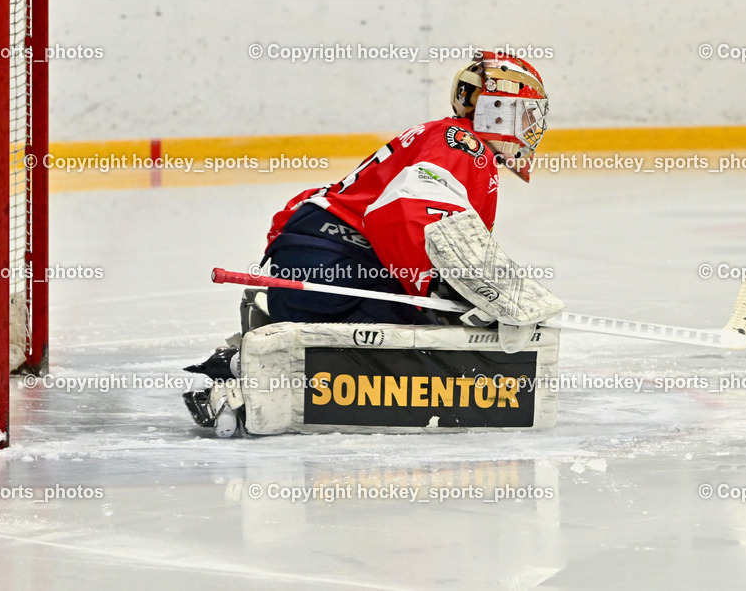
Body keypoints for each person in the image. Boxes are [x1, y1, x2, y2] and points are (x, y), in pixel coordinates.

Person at [184, 51, 565, 431]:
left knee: (429, 330)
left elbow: (320, 206)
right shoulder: (464, 146)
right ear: (496, 110)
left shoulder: (440, 135)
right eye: (525, 113)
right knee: (432, 350)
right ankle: (259, 370)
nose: (532, 126)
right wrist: (452, 289)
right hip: (338, 270)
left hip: (318, 257)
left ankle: (253, 351)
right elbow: (405, 210)